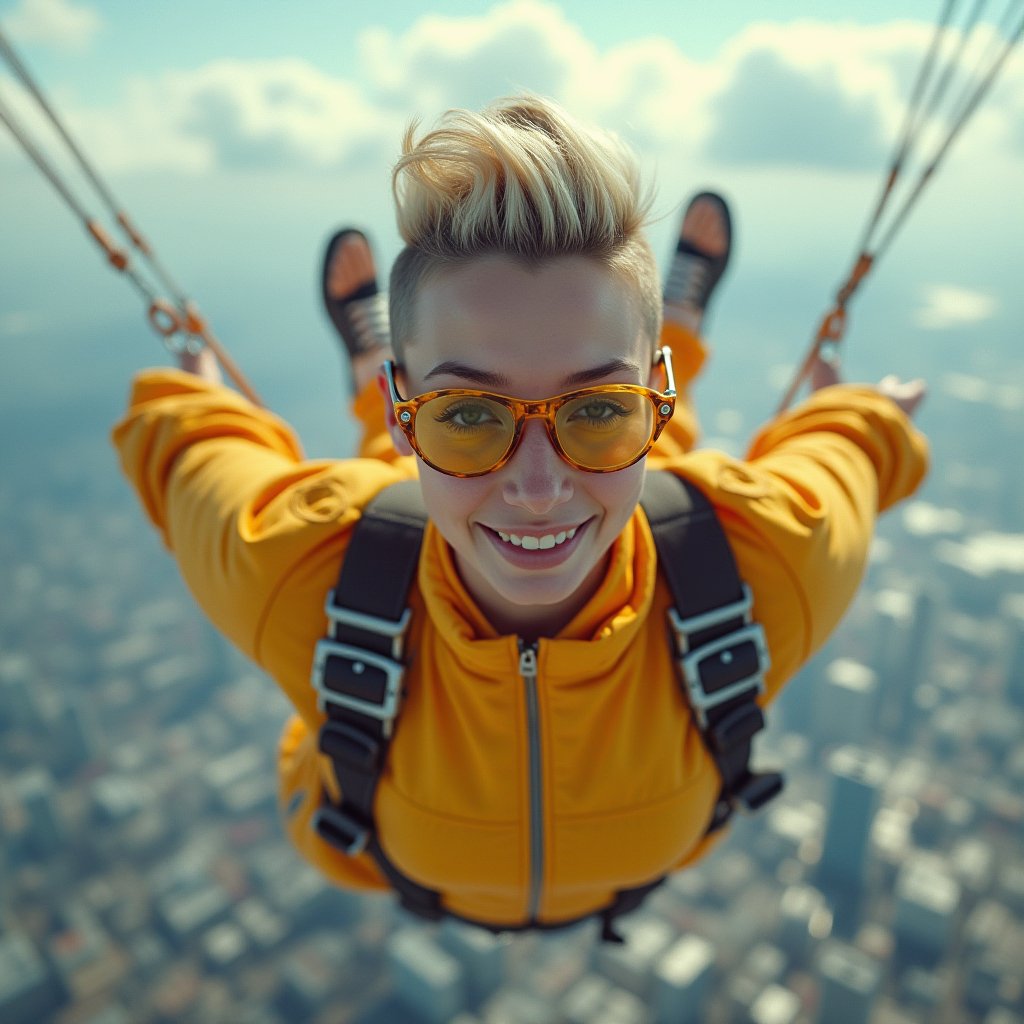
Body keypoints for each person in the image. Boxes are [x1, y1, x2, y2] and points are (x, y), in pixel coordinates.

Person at [112, 95, 928, 940]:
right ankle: (465, 368)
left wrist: (198, 398)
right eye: (468, 412)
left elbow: (185, 455)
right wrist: (869, 418)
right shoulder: (292, 562)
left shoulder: (295, 571)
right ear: (405, 410)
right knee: (622, 480)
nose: (537, 490)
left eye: (605, 406)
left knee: (614, 484)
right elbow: (194, 463)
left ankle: (619, 350)